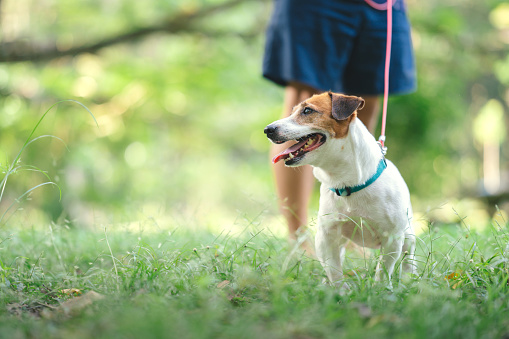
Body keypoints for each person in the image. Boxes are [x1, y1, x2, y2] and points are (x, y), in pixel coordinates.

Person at [262, 0, 416, 244]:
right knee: (306, 104)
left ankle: (355, 233)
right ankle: (300, 240)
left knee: (365, 105)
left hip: (380, 6)